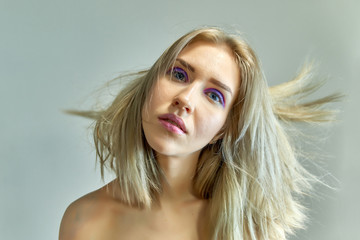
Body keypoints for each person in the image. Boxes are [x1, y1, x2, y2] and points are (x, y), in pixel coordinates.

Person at [59, 27, 340, 240]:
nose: (186, 99)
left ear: (223, 130)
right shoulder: (84, 220)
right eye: (179, 75)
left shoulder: (246, 229)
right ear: (149, 87)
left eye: (214, 95)